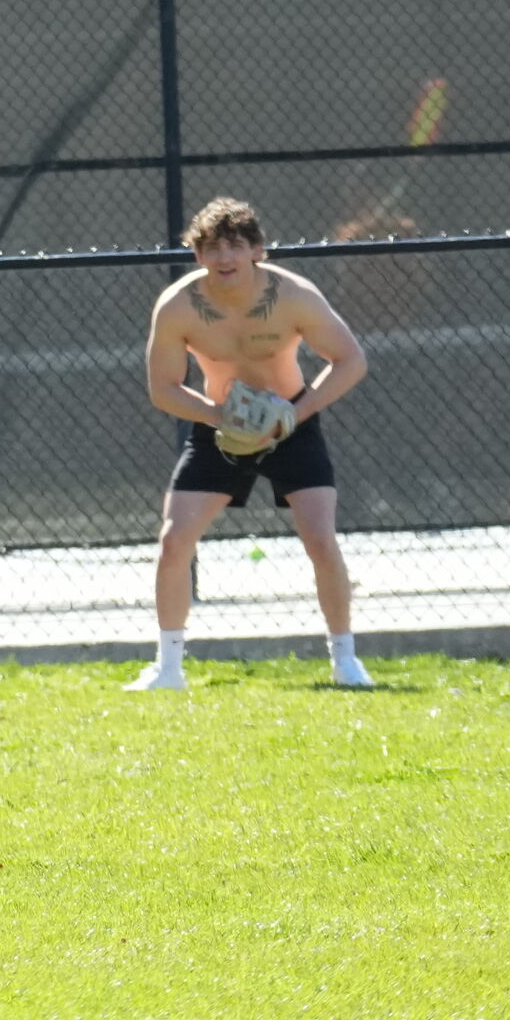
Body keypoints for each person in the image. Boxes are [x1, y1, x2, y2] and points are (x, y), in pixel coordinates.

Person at [135, 195, 372, 691]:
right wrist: (220, 416)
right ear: (197, 255)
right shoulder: (178, 306)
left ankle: (346, 662)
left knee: (320, 540)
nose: (224, 258)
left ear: (257, 251)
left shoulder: (294, 295)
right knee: (174, 540)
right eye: (212, 248)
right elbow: (163, 389)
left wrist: (292, 413)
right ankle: (168, 668)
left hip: (292, 427)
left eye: (235, 246)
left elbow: (350, 360)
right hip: (220, 431)